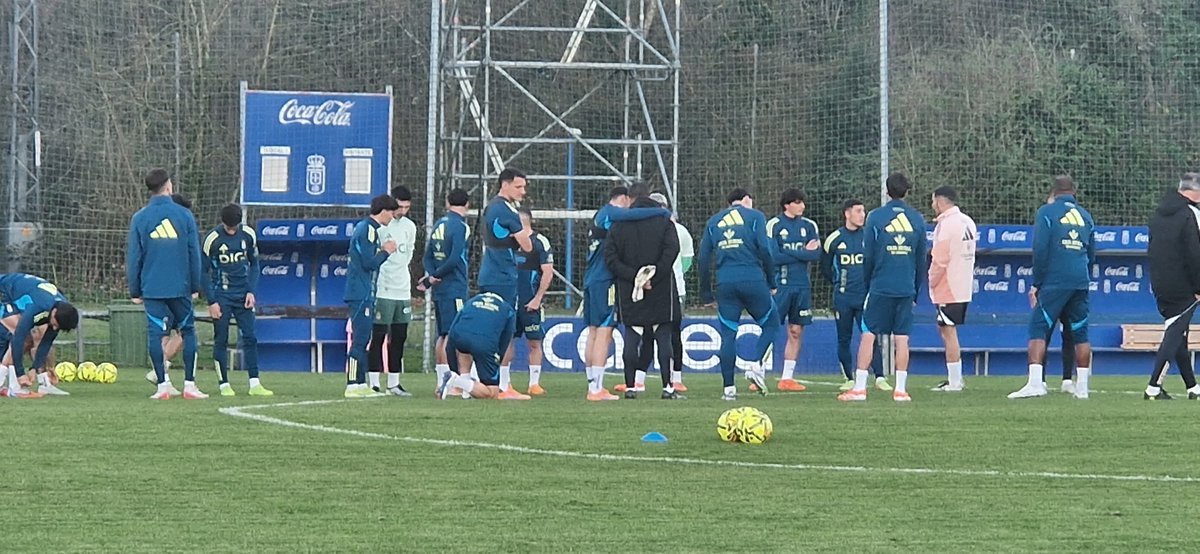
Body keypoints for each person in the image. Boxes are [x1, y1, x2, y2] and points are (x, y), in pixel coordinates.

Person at [837, 173, 927, 402]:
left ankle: (859, 388)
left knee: (868, 333)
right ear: (907, 191)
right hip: (906, 287)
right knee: (902, 337)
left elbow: (868, 255)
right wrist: (915, 290)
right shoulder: (916, 219)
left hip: (880, 285)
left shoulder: (876, 217)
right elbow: (921, 260)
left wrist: (868, 283)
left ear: (887, 191)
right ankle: (901, 390)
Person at [1009, 176, 1095, 400]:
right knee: (1080, 332)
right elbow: (1092, 254)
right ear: (1074, 192)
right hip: (1080, 280)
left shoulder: (1046, 212)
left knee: (1038, 327)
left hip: (1056, 280)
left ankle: (1036, 383)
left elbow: (1040, 249)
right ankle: (1082, 388)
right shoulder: (1086, 216)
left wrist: (1037, 283)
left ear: (1054, 192)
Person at [581, 185, 669, 401]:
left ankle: (592, 384)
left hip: (591, 279)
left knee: (593, 332)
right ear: (623, 198)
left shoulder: (600, 215)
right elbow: (634, 215)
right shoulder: (611, 212)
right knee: (604, 331)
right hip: (604, 280)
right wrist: (662, 212)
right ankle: (596, 389)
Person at [127, 168, 204, 400]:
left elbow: (134, 256)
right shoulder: (184, 215)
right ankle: (189, 385)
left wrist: (135, 289)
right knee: (187, 332)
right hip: (181, 286)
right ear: (169, 186)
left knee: (155, 335)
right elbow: (194, 253)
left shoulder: (140, 218)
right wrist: (195, 285)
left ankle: (162, 386)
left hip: (152, 287)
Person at [697, 188, 777, 401]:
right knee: (771, 323)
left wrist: (706, 293)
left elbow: (703, 259)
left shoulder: (714, 221)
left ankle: (729, 390)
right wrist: (772, 280)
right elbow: (764, 248)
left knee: (728, 334)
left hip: (725, 283)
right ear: (746, 200)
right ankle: (756, 365)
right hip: (752, 279)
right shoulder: (755, 216)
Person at [605, 184, 682, 399]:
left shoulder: (618, 224)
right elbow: (672, 250)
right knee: (663, 337)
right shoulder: (664, 221)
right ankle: (668, 388)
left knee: (632, 336)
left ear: (630, 199)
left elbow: (610, 258)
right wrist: (653, 276)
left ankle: (631, 387)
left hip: (630, 289)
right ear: (649, 197)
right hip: (661, 287)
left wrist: (635, 277)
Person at [202, 203, 272, 397]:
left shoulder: (248, 235)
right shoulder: (212, 239)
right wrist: (211, 301)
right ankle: (224, 384)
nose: (232, 231)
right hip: (222, 295)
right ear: (223, 223)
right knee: (221, 339)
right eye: (229, 228)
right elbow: (203, 271)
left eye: (235, 228)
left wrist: (251, 291)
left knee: (250, 337)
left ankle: (255, 383)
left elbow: (255, 264)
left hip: (243, 296)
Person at [1144, 173, 1200, 400]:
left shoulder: (1158, 215)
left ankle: (1192, 387)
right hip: (1183, 285)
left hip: (1160, 282)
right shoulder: (1191, 214)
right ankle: (1153, 387)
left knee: (1178, 333)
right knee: (1175, 333)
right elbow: (1194, 253)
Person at [820, 199, 886, 391]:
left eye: (863, 211)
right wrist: (839, 283)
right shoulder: (834, 238)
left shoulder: (869, 237)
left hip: (865, 298)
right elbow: (825, 266)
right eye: (858, 211)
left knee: (870, 336)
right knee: (844, 338)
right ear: (847, 214)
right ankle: (848, 377)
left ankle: (880, 377)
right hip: (843, 298)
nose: (862, 215)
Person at [343, 194, 399, 398]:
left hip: (364, 291)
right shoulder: (368, 229)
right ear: (383, 211)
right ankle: (352, 384)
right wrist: (386, 252)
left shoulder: (369, 229)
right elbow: (369, 263)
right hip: (360, 292)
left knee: (364, 338)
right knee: (360, 339)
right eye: (392, 212)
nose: (392, 217)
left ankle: (360, 383)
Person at [765, 188, 820, 392]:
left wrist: (789, 252)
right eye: (798, 202)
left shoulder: (809, 226)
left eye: (803, 202)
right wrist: (803, 252)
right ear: (787, 205)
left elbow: (816, 255)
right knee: (770, 327)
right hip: (780, 286)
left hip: (802, 286)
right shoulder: (774, 225)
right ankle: (758, 373)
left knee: (796, 330)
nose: (802, 206)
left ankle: (787, 378)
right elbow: (773, 257)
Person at [420, 188, 471, 398]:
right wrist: (435, 276)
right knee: (454, 334)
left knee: (442, 335)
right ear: (467, 204)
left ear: (448, 203)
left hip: (440, 288)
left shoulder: (439, 224)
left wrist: (432, 276)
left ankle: (441, 381)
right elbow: (454, 258)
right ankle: (454, 383)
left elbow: (427, 256)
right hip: (454, 286)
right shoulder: (460, 226)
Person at [499, 208, 554, 397]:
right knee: (507, 341)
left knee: (534, 342)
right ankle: (504, 384)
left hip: (530, 303)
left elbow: (548, 272)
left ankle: (534, 384)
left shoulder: (540, 242)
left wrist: (537, 299)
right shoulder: (507, 243)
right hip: (509, 303)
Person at [928, 186, 978, 392]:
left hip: (948, 287)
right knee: (946, 330)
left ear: (940, 201)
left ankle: (955, 381)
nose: (932, 205)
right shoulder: (968, 221)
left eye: (933, 201)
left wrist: (931, 280)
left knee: (948, 332)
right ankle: (955, 378)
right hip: (963, 286)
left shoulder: (946, 225)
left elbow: (940, 260)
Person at [369, 186, 418, 397]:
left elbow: (408, 255)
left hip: (402, 289)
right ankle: (373, 382)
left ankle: (394, 383)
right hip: (383, 288)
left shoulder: (410, 227)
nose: (402, 211)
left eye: (407, 207)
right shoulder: (380, 227)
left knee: (399, 337)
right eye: (399, 207)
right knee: (379, 335)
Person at [144, 192, 194, 387]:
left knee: (164, 333)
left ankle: (163, 378)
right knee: (185, 332)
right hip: (176, 289)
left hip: (156, 288)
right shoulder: (179, 228)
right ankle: (162, 368)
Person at [0, 274, 78, 397]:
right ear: (54, 312)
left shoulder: (61, 310)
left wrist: (34, 368)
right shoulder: (38, 306)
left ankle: (42, 383)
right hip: (4, 291)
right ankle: (14, 386)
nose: (55, 328)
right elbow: (19, 338)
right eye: (55, 324)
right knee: (23, 337)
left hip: (18, 292)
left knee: (32, 338)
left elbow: (46, 342)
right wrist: (20, 373)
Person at [441, 292, 517, 400]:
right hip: (484, 343)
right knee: (492, 394)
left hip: (460, 337)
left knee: (464, 351)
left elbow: (452, 330)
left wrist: (453, 367)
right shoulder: (508, 310)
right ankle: (457, 380)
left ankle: (465, 393)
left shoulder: (470, 302)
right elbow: (505, 340)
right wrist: (496, 362)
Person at [479, 168, 533, 308]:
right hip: (503, 276)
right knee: (506, 317)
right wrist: (519, 235)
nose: (523, 191)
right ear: (505, 185)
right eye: (518, 187)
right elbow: (527, 246)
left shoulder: (490, 207)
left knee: (488, 316)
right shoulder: (509, 211)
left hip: (487, 274)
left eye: (524, 187)